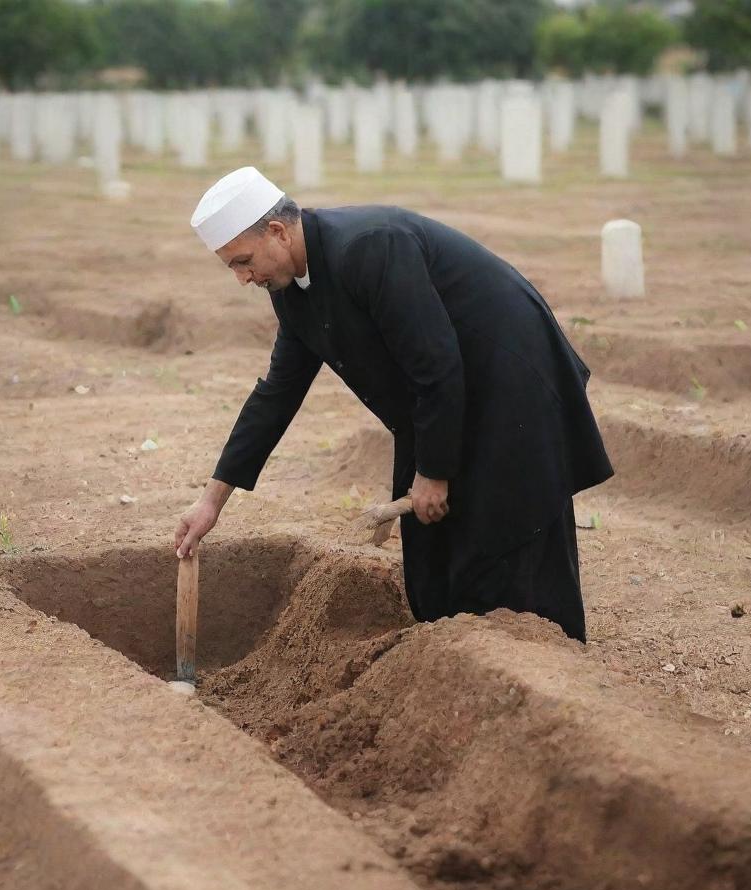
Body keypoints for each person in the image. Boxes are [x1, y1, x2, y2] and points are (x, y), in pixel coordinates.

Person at [174, 166, 613, 642]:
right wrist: (211, 501)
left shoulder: (369, 246)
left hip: (512, 387)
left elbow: (436, 363)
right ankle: (454, 657)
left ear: (277, 232)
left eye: (242, 262)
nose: (242, 279)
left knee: (507, 541)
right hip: (443, 398)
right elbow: (276, 395)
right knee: (431, 557)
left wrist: (433, 472)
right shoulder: (294, 291)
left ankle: (543, 667)